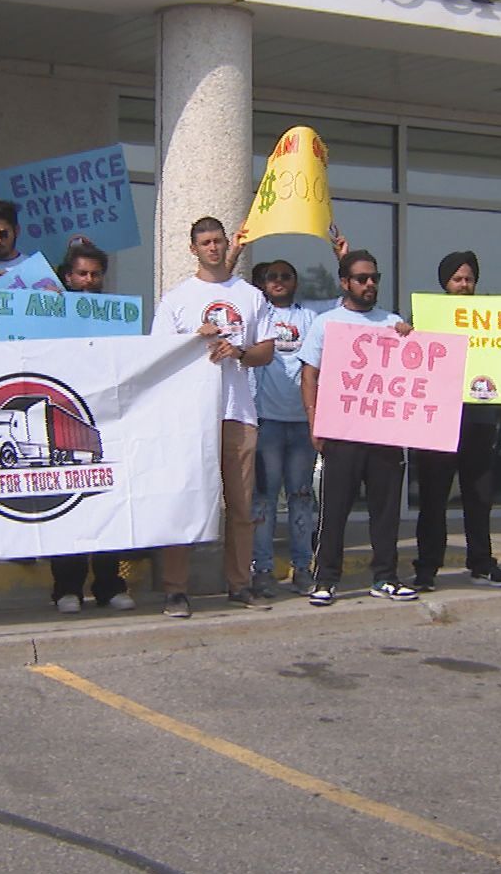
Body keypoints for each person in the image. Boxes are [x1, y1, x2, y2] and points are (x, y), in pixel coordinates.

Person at [150, 216, 277, 618]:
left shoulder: (251, 296)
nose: (213, 248)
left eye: (218, 241)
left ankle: (239, 584)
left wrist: (238, 352)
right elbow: (159, 358)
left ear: (227, 245)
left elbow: (267, 351)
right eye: (205, 242)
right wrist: (194, 339)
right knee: (184, 503)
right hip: (190, 417)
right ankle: (176, 590)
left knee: (241, 508)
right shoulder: (176, 300)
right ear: (193, 248)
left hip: (238, 413)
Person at [298, 249, 419, 607]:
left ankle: (385, 577)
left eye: (374, 278)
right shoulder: (326, 323)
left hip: (384, 436)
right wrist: (314, 421)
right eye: (362, 278)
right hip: (342, 433)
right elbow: (310, 375)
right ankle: (326, 579)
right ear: (345, 282)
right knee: (334, 510)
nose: (369, 284)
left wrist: (411, 339)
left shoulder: (391, 322)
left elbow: (414, 373)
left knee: (385, 511)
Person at [246, 237, 345, 596]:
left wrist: (342, 257)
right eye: (271, 276)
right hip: (267, 421)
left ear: (294, 282)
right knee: (264, 499)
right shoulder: (257, 316)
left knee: (302, 497)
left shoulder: (311, 315)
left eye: (285, 276)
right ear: (263, 283)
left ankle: (303, 567)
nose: (278, 281)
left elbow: (343, 304)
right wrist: (236, 250)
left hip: (304, 423)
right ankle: (263, 569)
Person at [411, 251, 501, 591]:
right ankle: (427, 567)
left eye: (469, 279)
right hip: (437, 420)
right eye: (457, 279)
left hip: (479, 419)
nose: (464, 285)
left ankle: (482, 563)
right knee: (434, 498)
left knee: (479, 495)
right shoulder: (429, 317)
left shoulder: (492, 319)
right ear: (446, 283)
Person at [45, 241, 137, 614]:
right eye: (81, 274)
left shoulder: (118, 317)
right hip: (64, 419)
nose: (88, 280)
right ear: (68, 277)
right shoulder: (47, 317)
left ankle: (109, 585)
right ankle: (66, 588)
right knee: (68, 505)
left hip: (105, 421)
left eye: (95, 274)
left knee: (107, 503)